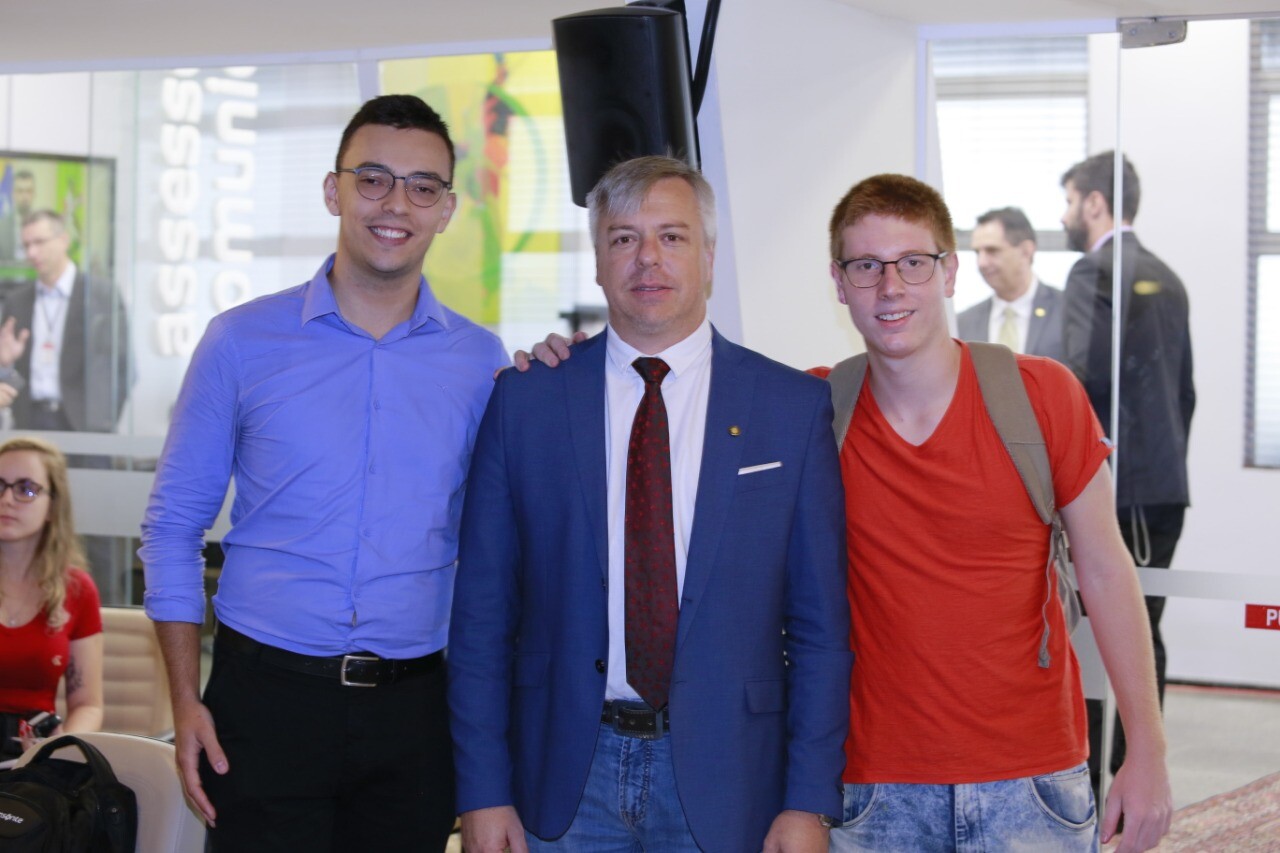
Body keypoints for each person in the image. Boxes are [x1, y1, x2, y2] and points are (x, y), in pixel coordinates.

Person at [448, 155, 850, 853]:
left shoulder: (790, 407)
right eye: (624, 238)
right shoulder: (527, 400)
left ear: (709, 256)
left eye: (672, 235)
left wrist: (809, 801)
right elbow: (482, 615)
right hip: (561, 781)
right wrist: (483, 789)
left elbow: (819, 627)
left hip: (731, 780)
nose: (648, 258)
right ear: (599, 263)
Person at [141, 94, 507, 852]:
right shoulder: (239, 342)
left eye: (422, 186)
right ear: (334, 191)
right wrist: (183, 699)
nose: (396, 204)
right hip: (263, 703)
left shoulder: (481, 362)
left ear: (446, 209)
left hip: (415, 713)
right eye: (373, 179)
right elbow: (172, 528)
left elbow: (500, 546)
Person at [1060, 151, 1195, 794]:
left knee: (1095, 637)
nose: (1065, 215)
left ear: (1094, 203)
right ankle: (1136, 773)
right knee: (1146, 632)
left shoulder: (1094, 271)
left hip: (1116, 489)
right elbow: (1186, 394)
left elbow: (1075, 385)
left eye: (1069, 201)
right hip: (1164, 487)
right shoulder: (1170, 277)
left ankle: (1090, 784)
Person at [0, 436, 104, 762]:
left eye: (26, 488)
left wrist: (60, 749)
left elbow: (88, 705)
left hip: (32, 760)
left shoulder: (77, 589)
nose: (6, 499)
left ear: (53, 506)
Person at [956, 206, 1065, 360]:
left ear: (1026, 251)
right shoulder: (963, 323)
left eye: (992, 250)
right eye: (977, 252)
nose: (981, 263)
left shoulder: (1065, 310)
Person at [0, 169, 36, 262]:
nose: (25, 196)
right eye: (20, 191)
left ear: (34, 193)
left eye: (28, 191)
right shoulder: (1, 226)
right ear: (13, 194)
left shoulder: (42, 226)